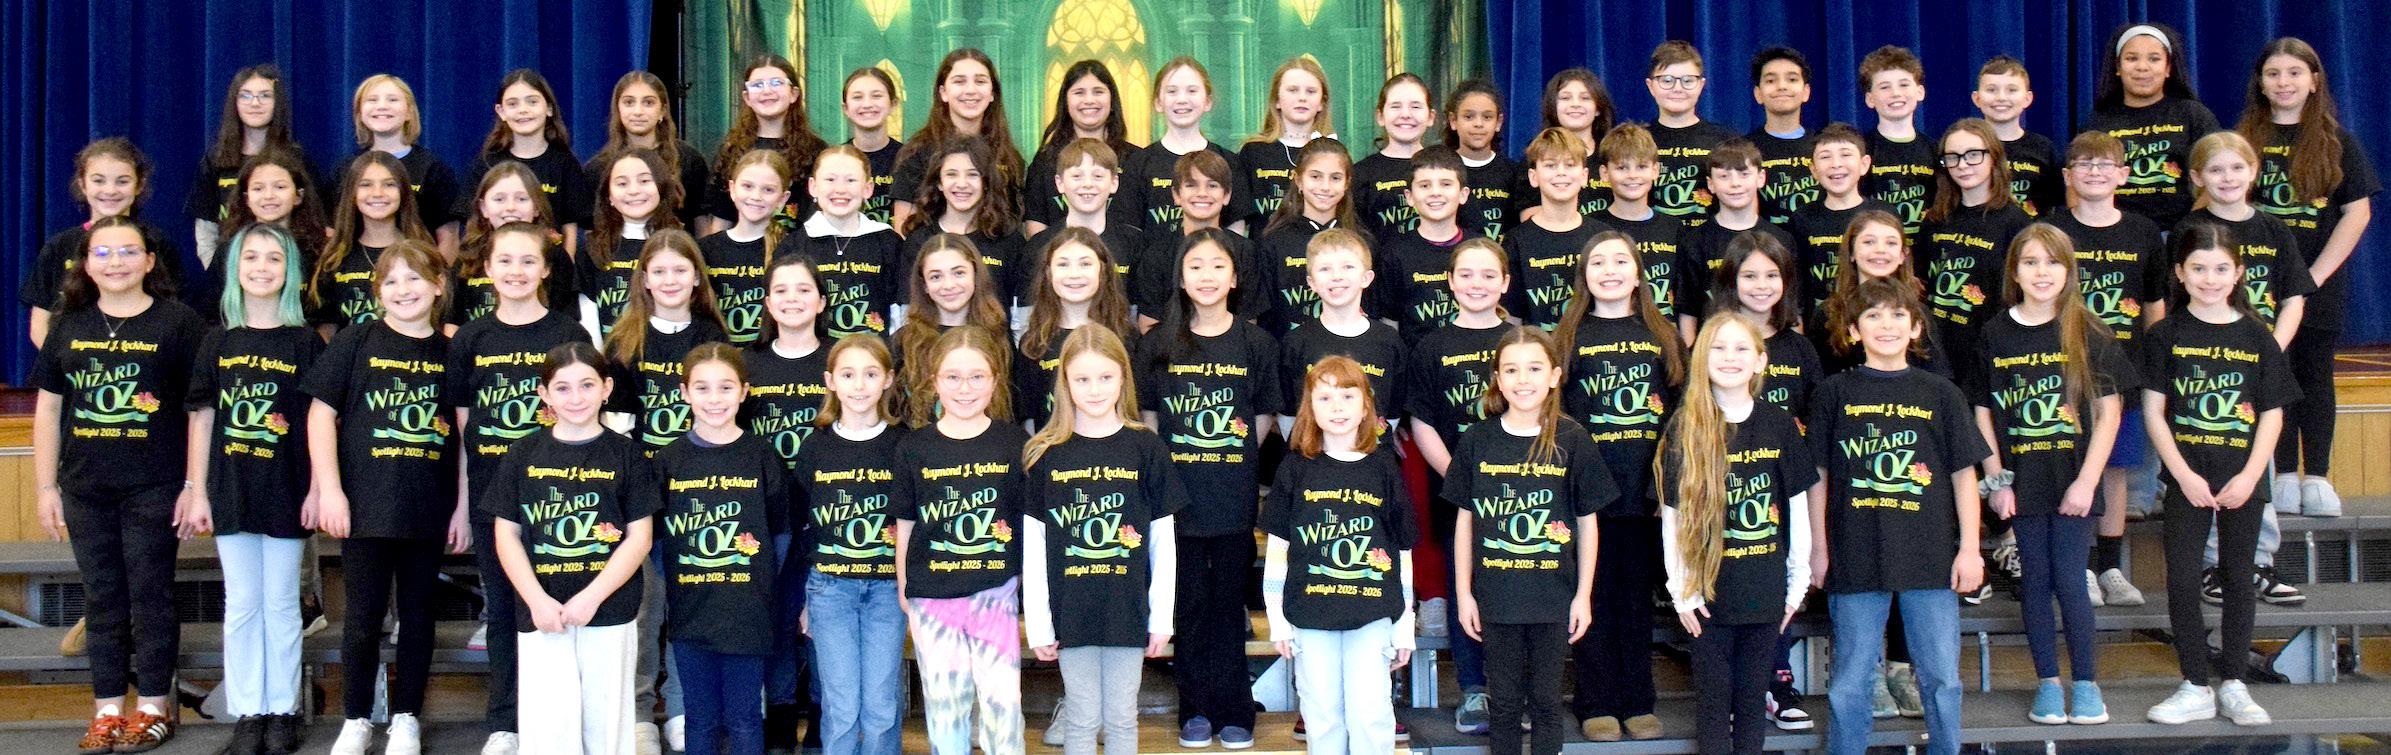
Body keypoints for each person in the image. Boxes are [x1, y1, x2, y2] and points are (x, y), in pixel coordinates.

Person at [34, 216, 208, 753]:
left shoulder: (179, 323)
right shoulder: (68, 324)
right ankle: (107, 709)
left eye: (129, 251)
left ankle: (154, 707)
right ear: (87, 264)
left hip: (155, 484)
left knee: (151, 594)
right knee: (102, 597)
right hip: (84, 487)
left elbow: (199, 410)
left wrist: (194, 485)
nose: (116, 262)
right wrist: (45, 488)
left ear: (150, 261)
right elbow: (48, 409)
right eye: (104, 253)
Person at [1810, 278, 1989, 755]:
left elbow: (1964, 477)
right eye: (1872, 316)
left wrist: (1970, 549)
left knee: (1942, 678)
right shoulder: (1833, 393)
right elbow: (1819, 477)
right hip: (1854, 553)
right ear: (1853, 330)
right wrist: (1819, 549)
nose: (1885, 325)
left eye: (1897, 315)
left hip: (1929, 557)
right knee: (1850, 681)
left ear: (1915, 328)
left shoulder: (1942, 393)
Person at [2139, 223, 2296, 728]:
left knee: (2238, 577)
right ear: (2180, 273)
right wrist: (2181, 475)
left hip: (2242, 479)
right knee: (2183, 579)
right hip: (2188, 478)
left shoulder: (2257, 335)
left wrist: (2251, 475)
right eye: (2199, 269)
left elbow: (2272, 414)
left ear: (2239, 273)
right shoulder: (2165, 335)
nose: (2210, 278)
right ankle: (2194, 684)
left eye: (2221, 269)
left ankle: (2234, 683)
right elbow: (2154, 412)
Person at [1971, 225, 2129, 726]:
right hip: (2022, 481)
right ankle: (2047, 682)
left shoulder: (2088, 329)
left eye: (2053, 262)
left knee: (2070, 581)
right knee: (2035, 582)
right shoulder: (1995, 332)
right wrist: (1996, 480)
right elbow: (1982, 411)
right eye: (2031, 262)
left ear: (2069, 271)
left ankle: (2086, 684)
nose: (2042, 272)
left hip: (2073, 480)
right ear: (2014, 272)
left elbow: (2109, 412)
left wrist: (2087, 481)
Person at [310, 240, 461, 755]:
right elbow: (320, 415)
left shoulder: (452, 350)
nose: (403, 290)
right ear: (378, 292)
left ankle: (407, 717)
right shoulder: (356, 340)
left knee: (418, 615)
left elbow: (466, 433)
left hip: (428, 504)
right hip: (365, 504)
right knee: (363, 617)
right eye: (391, 281)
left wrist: (462, 506)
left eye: (414, 278)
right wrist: (330, 490)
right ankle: (356, 718)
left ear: (438, 286)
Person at [446, 222, 592, 753]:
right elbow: (465, 429)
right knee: (506, 611)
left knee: (559, 607)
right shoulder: (471, 337)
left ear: (546, 269)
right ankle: (506, 722)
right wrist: (463, 505)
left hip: (559, 500)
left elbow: (585, 420)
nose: (516, 271)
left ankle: (562, 719)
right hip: (493, 500)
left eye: (528, 260)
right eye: (505, 261)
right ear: (487, 269)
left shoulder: (568, 333)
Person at [1136, 230, 1281, 749]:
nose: (1207, 276)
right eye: (1195, 266)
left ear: (1235, 278)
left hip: (1233, 497)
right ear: (1180, 277)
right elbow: (1149, 419)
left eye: (1218, 266)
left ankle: (1235, 709)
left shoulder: (1257, 344)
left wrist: (1231, 461)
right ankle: (1194, 709)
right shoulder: (1157, 344)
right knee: (1190, 607)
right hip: (1177, 500)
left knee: (1228, 606)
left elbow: (1262, 418)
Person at [183, 223, 324, 755]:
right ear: (234, 269)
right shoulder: (216, 340)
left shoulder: (304, 342)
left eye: (273, 258)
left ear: (290, 271)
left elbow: (318, 421)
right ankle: (249, 711)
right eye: (251, 258)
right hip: (231, 486)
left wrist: (318, 487)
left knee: (282, 603)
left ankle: (283, 709)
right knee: (242, 603)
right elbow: (202, 418)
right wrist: (197, 490)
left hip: (287, 487)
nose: (261, 268)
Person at [485, 342, 659, 755]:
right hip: (542, 610)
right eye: (562, 388)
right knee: (549, 732)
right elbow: (506, 535)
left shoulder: (627, 454)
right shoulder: (523, 453)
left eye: (587, 385)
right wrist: (536, 600)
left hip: (609, 608)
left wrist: (592, 597)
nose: (576, 397)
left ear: (607, 388)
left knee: (607, 731)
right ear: (544, 394)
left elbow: (640, 537)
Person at [1449, 326, 1614, 755]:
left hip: (1552, 597)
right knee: (1503, 704)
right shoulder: (1477, 440)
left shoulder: (1573, 439)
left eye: (1535, 369)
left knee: (1546, 702)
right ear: (1498, 379)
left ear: (1555, 376)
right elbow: (1465, 521)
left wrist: (1583, 596)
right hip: (1497, 596)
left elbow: (1588, 524)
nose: (1523, 380)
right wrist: (1464, 593)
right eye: (1512, 370)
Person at [1659, 313, 1817, 754]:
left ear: (1760, 361)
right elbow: (1673, 519)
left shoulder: (1779, 424)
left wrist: (1797, 584)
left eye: (1741, 348)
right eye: (1718, 348)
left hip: (1765, 589)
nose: (1730, 357)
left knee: (1751, 704)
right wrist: (1682, 591)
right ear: (1701, 359)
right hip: (1708, 594)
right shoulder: (1684, 427)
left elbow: (1796, 509)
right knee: (1713, 706)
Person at [1023, 325, 1184, 755]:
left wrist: (1161, 617)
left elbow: (1162, 543)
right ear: (1065, 383)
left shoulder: (1146, 448)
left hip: (1127, 609)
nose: (1094, 389)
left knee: (1121, 717)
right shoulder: (1045, 453)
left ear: (1123, 378)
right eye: (1082, 379)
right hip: (1071, 611)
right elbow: (1035, 548)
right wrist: (1039, 622)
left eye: (1105, 377)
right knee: (1081, 717)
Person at [2235, 38, 2379, 519]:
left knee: (2314, 374)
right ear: (2260, 83)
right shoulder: (2244, 141)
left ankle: (2316, 474)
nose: (2284, 82)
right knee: (2271, 373)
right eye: (2273, 73)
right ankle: (2280, 474)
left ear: (2314, 81)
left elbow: (2356, 214)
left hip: (2318, 281)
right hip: (2256, 286)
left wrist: (2310, 278)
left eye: (2294, 73)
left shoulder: (2338, 142)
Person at [1554, 232, 1683, 741]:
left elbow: (1680, 418)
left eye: (1620, 261)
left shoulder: (1662, 334)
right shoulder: (1568, 336)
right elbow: (1557, 418)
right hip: (1589, 498)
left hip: (1645, 496)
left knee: (1634, 603)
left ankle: (1638, 700)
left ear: (1638, 273)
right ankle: (1595, 702)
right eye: (1598, 262)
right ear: (1583, 275)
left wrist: (1665, 488)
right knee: (1593, 600)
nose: (1609, 270)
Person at [1263, 355, 1417, 755]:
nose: (1337, 407)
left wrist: (1404, 625)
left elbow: (1402, 552)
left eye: (1348, 396)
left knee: (1370, 714)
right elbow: (1278, 551)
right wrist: (1278, 621)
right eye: (1325, 397)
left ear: (1366, 406)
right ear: (1309, 408)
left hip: (1372, 616)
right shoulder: (1295, 469)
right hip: (1310, 616)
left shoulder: (1385, 469)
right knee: (1322, 714)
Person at [894, 326, 1031, 755]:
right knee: (945, 707)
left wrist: (1025, 585)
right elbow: (905, 524)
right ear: (934, 381)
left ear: (994, 381)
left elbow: (1026, 521)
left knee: (1003, 705)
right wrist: (904, 586)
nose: (965, 388)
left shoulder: (1014, 443)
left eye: (976, 377)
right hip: (933, 598)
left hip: (995, 592)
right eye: (953, 377)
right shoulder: (914, 448)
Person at [653, 344, 795, 755]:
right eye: (702, 388)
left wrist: (756, 580)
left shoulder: (762, 456)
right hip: (691, 610)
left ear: (744, 391)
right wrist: (684, 579)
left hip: (747, 612)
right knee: (700, 718)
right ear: (684, 392)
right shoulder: (668, 460)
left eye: (725, 387)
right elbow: (656, 541)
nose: (714, 399)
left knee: (745, 717)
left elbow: (780, 534)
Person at [2044, 131, 2166, 606]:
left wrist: (2155, 364)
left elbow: (2153, 305)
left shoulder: (2142, 232)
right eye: (2084, 164)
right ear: (2067, 175)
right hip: (2062, 371)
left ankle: (2110, 566)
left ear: (2123, 175)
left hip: (2122, 371)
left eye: (2104, 164)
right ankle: (2080, 565)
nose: (2094, 172)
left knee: (2114, 470)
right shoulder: (2052, 228)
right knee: (2069, 464)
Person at [790, 334, 908, 755]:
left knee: (880, 705)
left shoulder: (904, 445)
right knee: (840, 706)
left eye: (870, 374)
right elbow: (802, 528)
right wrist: (803, 599)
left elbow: (913, 525)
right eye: (848, 375)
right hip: (829, 589)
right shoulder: (815, 446)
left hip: (886, 591)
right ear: (830, 382)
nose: (859, 385)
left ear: (888, 379)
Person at [2087, 23, 2222, 231]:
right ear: (2118, 67)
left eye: (2154, 59)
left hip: (2182, 234)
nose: (2142, 67)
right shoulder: (2098, 122)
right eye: (2132, 58)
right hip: (2117, 236)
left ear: (2168, 68)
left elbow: (2218, 178)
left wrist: (2187, 232)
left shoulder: (2194, 115)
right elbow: (2078, 184)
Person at [189, 64, 317, 262]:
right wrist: (221, 269)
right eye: (245, 96)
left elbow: (316, 221)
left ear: (278, 103)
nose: (255, 103)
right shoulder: (216, 159)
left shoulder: (297, 159)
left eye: (265, 96)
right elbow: (206, 230)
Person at [458, 69, 593, 239]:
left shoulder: (564, 163)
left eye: (532, 102)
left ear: (549, 108)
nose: (523, 110)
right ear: (501, 111)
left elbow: (570, 229)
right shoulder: (486, 163)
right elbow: (473, 224)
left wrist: (566, 256)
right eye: (513, 104)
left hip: (548, 255)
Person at [705, 54, 829, 235]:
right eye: (757, 85)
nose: (767, 91)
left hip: (800, 248)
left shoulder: (816, 151)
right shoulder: (731, 149)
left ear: (794, 94)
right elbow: (721, 219)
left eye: (777, 83)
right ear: (747, 97)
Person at [588, 71, 712, 228]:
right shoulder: (599, 168)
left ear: (662, 110)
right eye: (629, 102)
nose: (638, 112)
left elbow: (701, 222)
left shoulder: (689, 159)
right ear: (618, 109)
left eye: (648, 103)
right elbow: (593, 228)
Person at [1025, 61, 1134, 233]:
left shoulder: (1136, 160)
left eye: (1098, 92)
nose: (1089, 100)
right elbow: (1036, 231)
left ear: (1112, 100)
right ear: (1065, 102)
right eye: (1079, 92)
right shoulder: (1045, 162)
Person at [1645, 41, 1735, 223]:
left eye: (1687, 81)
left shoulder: (1725, 140)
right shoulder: (1638, 140)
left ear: (1701, 85)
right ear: (1651, 86)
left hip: (1709, 238)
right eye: (1667, 81)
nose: (1677, 88)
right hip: (1652, 238)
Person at [1241, 58, 1339, 222]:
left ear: (1322, 103)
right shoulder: (1253, 152)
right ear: (1277, 100)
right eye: (1293, 90)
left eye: (1311, 91)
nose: (1302, 98)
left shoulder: (1332, 153)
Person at [1858, 46, 1937, 236]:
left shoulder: (1934, 149)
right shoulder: (1861, 149)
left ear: (1920, 92)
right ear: (1870, 99)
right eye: (1884, 87)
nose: (1895, 93)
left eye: (1904, 84)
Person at [1353, 74, 1439, 240]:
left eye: (1416, 106)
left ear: (1431, 117)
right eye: (1395, 106)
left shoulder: (1447, 168)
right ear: (1380, 116)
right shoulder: (1361, 174)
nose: (1405, 114)